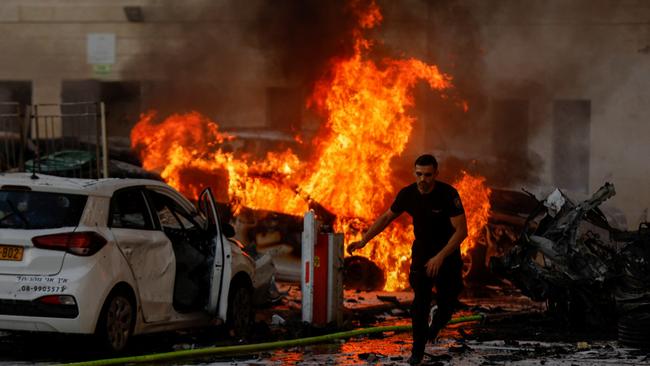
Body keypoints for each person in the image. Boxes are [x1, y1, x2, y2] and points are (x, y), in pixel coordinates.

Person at [347, 154, 468, 365]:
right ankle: (417, 352)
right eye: (419, 174)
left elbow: (461, 231)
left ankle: (439, 320)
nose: (423, 179)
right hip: (422, 253)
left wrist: (440, 257)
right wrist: (363, 240)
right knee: (419, 304)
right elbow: (386, 217)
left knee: (449, 301)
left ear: (436, 174)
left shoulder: (448, 195)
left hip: (447, 255)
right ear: (415, 173)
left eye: (428, 175)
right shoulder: (408, 194)